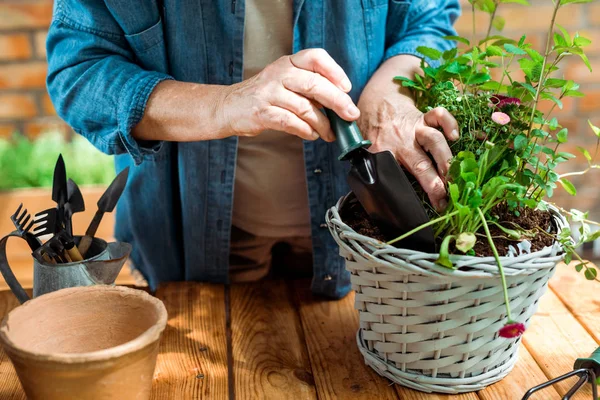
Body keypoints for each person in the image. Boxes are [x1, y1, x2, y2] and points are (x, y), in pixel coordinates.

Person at [46, 0, 460, 298]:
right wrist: (223, 105)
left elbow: (427, 22)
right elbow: (79, 69)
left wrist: (388, 96)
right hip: (189, 247)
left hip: (360, 249)